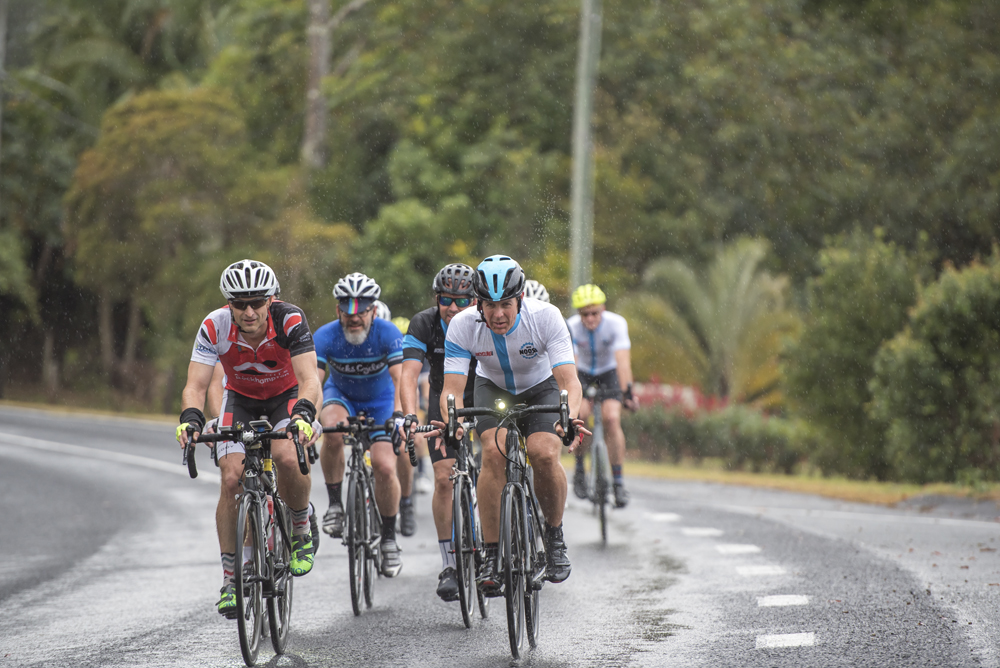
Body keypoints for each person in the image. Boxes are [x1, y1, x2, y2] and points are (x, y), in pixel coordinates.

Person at [176, 259, 322, 617]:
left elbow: (310, 379)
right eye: (240, 304)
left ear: (271, 299)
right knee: (231, 479)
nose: (249, 311)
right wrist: (191, 420)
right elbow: (195, 386)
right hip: (240, 399)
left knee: (287, 457)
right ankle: (231, 580)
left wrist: (303, 415)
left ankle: (300, 528)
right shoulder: (215, 326)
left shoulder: (289, 319)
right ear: (230, 304)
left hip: (287, 396)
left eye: (257, 302)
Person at [436, 255, 589, 595]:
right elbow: (452, 391)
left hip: (541, 387)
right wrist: (452, 421)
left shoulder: (545, 317)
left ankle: (554, 537)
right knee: (493, 453)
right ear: (478, 303)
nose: (498, 314)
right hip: (492, 388)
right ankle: (492, 554)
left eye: (506, 304)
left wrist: (569, 417)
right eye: (490, 305)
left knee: (543, 453)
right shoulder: (462, 325)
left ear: (520, 299)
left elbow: (569, 381)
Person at [314, 272, 408, 576]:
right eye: (347, 312)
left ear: (373, 311)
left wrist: (398, 415)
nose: (354, 318)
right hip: (341, 396)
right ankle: (335, 505)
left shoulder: (388, 332)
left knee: (384, 467)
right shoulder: (325, 335)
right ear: (338, 311)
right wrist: (308, 418)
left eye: (362, 312)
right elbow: (314, 384)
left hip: (382, 401)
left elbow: (400, 380)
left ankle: (389, 539)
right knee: (333, 430)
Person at [398, 263, 479, 601]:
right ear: (436, 299)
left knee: (497, 462)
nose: (453, 307)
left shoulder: (486, 321)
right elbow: (408, 374)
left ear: (476, 301)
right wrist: (409, 415)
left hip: (484, 396)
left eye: (462, 300)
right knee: (445, 478)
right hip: (442, 399)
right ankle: (449, 564)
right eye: (446, 299)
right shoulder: (424, 323)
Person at [566, 283, 637, 508]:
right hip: (583, 373)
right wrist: (574, 397)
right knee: (581, 416)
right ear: (579, 314)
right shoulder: (571, 326)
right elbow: (571, 366)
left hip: (608, 372)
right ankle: (580, 468)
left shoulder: (616, 324)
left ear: (603, 309)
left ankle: (618, 482)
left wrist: (628, 392)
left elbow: (623, 362)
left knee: (612, 419)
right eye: (584, 314)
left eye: (594, 313)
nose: (590, 318)